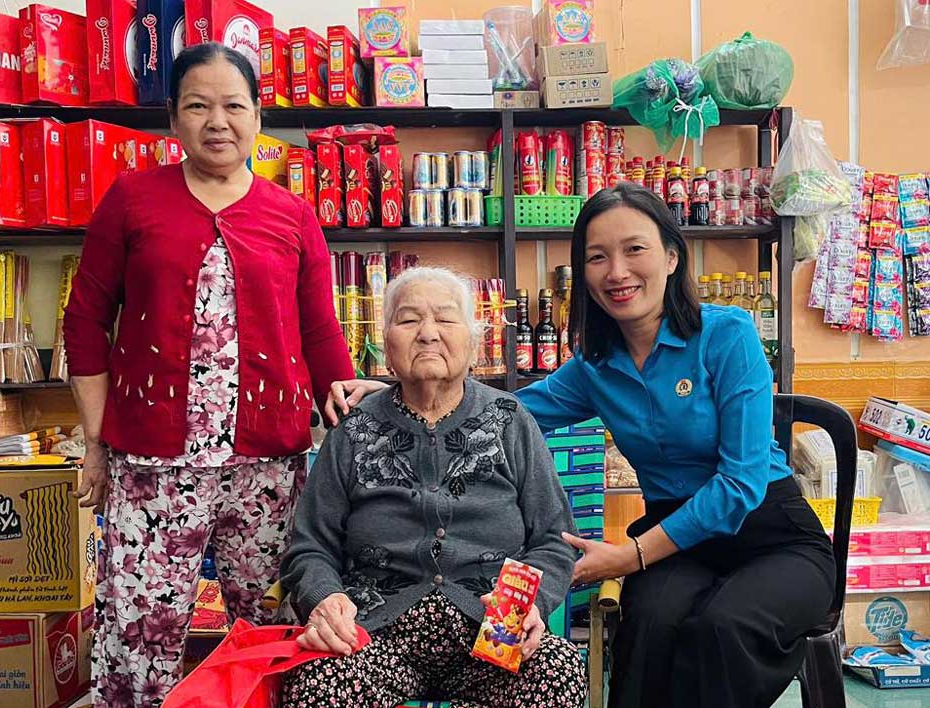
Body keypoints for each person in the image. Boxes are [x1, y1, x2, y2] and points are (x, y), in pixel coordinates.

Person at [326, 184, 836, 708]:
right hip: (677, 542)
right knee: (648, 626)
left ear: (671, 255)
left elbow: (741, 482)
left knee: (722, 626)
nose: (616, 272)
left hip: (771, 536)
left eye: (634, 249)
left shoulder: (728, 336)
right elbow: (503, 410)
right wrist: (402, 389)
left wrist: (631, 555)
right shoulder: (596, 365)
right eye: (597, 257)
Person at [62, 42, 353, 707]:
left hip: (268, 467)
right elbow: (85, 324)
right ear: (173, 118)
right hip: (152, 465)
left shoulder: (292, 214)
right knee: (138, 634)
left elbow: (319, 334)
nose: (217, 121)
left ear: (257, 118)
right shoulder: (133, 199)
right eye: (198, 106)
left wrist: (346, 421)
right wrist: (95, 442)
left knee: (275, 627)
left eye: (233, 105)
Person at [280, 267, 587, 708]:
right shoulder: (354, 428)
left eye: (445, 319)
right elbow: (310, 547)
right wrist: (323, 597)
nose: (427, 334)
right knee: (318, 679)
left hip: (492, 633)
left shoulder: (510, 419)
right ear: (386, 345)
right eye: (408, 321)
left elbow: (554, 542)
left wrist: (526, 603)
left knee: (557, 673)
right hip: (375, 635)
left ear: (474, 342)